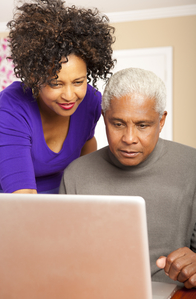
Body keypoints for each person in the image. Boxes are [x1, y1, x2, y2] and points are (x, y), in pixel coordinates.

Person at [59, 68, 196, 288]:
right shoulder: (76, 175)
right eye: (118, 124)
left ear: (161, 121)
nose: (129, 138)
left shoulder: (192, 166)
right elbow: (60, 261)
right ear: (104, 119)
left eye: (142, 125)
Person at [0, 0, 115, 194]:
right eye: (56, 83)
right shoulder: (12, 106)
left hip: (60, 198)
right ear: (35, 78)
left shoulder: (91, 101)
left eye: (78, 82)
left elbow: (87, 147)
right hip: (11, 206)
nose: (69, 96)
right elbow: (23, 199)